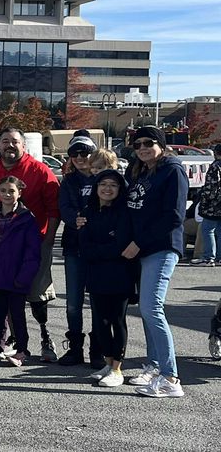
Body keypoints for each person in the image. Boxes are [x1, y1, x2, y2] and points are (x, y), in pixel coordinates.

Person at [0, 128, 60, 362]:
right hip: (0, 253)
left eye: (15, 142)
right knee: (2, 302)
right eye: (5, 141)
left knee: (37, 297)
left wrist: (48, 240)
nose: (10, 146)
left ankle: (44, 337)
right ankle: (4, 342)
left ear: (24, 146)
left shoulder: (40, 170)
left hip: (33, 247)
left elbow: (54, 208)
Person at [123, 125, 188, 398]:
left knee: (152, 307)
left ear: (161, 144)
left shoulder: (172, 170)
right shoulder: (142, 171)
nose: (143, 149)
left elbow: (174, 216)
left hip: (161, 248)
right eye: (138, 145)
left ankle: (171, 377)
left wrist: (139, 242)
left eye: (149, 143)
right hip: (142, 250)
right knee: (147, 310)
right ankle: (154, 365)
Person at [76, 170, 136, 387]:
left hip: (120, 274)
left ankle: (117, 368)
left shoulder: (125, 212)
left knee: (117, 320)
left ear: (120, 189)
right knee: (100, 323)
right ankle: (108, 362)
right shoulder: (87, 211)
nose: (107, 188)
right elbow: (84, 246)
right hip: (96, 274)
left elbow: (121, 245)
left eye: (113, 185)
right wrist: (104, 248)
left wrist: (99, 249)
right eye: (103, 184)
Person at [0, 176, 42, 367]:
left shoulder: (26, 219)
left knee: (17, 316)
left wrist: (24, 277)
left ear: (19, 193)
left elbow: (33, 253)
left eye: (11, 191)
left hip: (17, 277)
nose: (7, 194)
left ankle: (22, 350)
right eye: (3, 191)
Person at [57, 133, 100, 367]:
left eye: (85, 152)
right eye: (75, 153)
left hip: (100, 249)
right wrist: (76, 218)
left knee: (96, 300)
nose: (81, 157)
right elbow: (65, 208)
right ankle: (75, 347)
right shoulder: (69, 181)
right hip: (74, 246)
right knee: (73, 302)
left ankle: (97, 348)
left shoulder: (104, 176)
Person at [190, 145, 221, 267]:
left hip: (214, 205)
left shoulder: (215, 166)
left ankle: (208, 257)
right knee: (219, 230)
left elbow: (212, 187)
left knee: (207, 230)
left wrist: (205, 200)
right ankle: (219, 257)